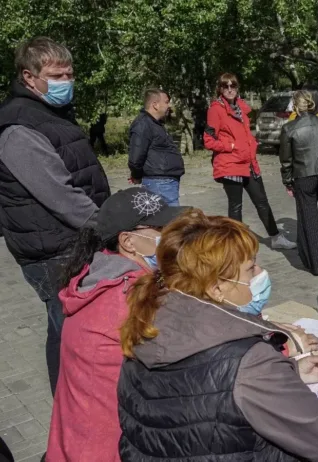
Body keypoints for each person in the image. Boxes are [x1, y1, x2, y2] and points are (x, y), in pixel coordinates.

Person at [117, 210, 318, 460]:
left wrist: (289, 371)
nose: (260, 272)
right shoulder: (249, 360)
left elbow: (199, 393)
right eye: (250, 269)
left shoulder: (145, 324)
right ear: (217, 288)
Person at [0, 37, 111, 395]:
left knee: (62, 326)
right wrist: (109, 224)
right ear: (29, 77)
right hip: (52, 250)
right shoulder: (19, 126)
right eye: (56, 75)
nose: (66, 81)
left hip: (66, 241)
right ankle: (73, 411)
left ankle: (69, 405)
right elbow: (60, 195)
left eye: (70, 73)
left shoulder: (47, 113)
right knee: (69, 331)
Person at [47, 187, 185, 462]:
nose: (173, 237)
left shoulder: (97, 276)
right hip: (110, 448)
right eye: (162, 229)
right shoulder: (131, 298)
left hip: (74, 442)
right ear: (129, 242)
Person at [204, 73, 296, 250]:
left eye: (233, 86)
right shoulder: (215, 110)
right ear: (220, 89)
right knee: (236, 206)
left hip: (249, 163)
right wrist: (230, 145)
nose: (230, 89)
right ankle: (236, 244)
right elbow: (208, 140)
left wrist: (252, 144)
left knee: (262, 201)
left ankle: (275, 237)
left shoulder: (240, 107)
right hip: (230, 165)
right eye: (226, 86)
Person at [279, 90, 318, 276]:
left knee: (309, 220)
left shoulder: (289, 128)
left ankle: (316, 265)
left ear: (295, 105)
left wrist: (287, 181)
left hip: (303, 177)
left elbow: (286, 160)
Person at [128, 89, 186, 206]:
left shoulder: (154, 124)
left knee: (169, 221)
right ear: (155, 105)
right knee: (171, 221)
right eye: (166, 102)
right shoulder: (143, 124)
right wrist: (137, 176)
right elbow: (135, 158)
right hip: (159, 184)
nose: (169, 106)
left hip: (164, 183)